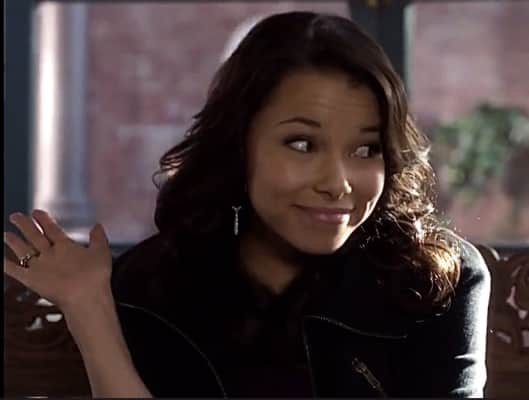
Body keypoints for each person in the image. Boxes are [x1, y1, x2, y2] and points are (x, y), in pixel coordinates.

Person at [4, 11, 491, 398]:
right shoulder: (155, 284)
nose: (338, 184)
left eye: (366, 149)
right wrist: (89, 307)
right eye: (302, 144)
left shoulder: (435, 279)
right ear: (238, 147)